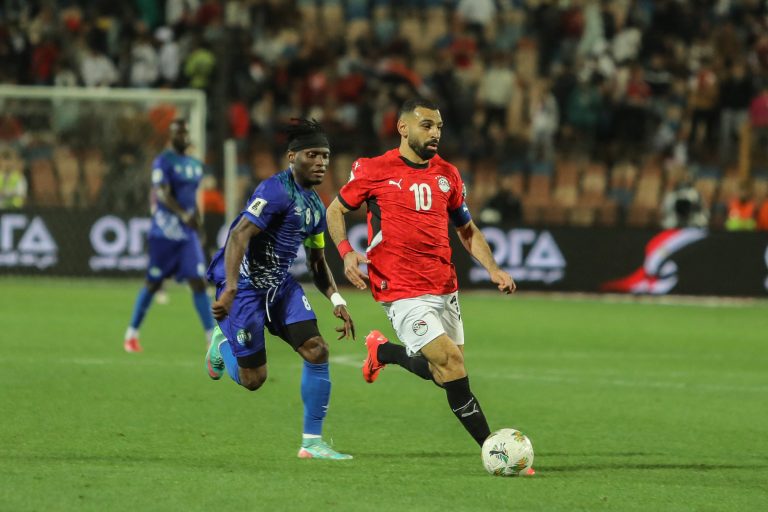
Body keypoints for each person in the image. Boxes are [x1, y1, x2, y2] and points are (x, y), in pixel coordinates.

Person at [326, 99, 530, 472]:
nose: (435, 133)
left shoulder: (448, 175)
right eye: (426, 125)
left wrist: (494, 269)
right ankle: (496, 450)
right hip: (399, 289)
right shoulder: (374, 170)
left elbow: (466, 230)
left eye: (438, 126)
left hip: (443, 286)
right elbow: (335, 209)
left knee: (445, 373)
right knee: (451, 363)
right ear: (403, 128)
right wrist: (345, 252)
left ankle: (383, 352)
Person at [204, 119, 355, 460]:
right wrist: (228, 287)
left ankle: (312, 443)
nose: (321, 162)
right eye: (312, 154)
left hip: (279, 287)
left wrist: (336, 298)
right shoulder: (274, 190)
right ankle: (222, 345)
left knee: (317, 349)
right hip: (244, 288)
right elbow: (240, 235)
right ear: (292, 157)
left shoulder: (316, 206)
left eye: (326, 156)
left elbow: (317, 261)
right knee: (253, 379)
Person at [123, 119, 215, 352]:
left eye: (185, 133)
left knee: (198, 282)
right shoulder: (163, 161)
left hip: (186, 235)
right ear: (171, 136)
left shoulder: (195, 164)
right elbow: (162, 193)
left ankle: (211, 337)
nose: (183, 137)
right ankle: (131, 334)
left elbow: (191, 196)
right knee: (153, 284)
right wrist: (184, 215)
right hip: (164, 231)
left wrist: (197, 222)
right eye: (178, 133)